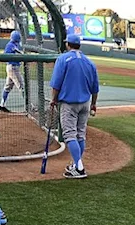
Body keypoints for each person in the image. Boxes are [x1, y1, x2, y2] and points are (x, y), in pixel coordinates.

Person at [50, 33, 100, 179]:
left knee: (70, 135)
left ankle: (79, 168)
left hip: (69, 104)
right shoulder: (89, 62)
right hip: (85, 103)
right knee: (80, 134)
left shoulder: (63, 59)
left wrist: (53, 100)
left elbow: (56, 84)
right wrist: (94, 104)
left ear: (68, 44)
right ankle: (76, 164)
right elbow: (95, 88)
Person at [0, 30, 24, 113]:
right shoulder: (10, 45)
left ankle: (2, 105)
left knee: (8, 87)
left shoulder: (12, 45)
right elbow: (13, 52)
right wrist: (22, 54)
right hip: (13, 68)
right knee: (22, 87)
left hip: (11, 68)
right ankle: (29, 107)